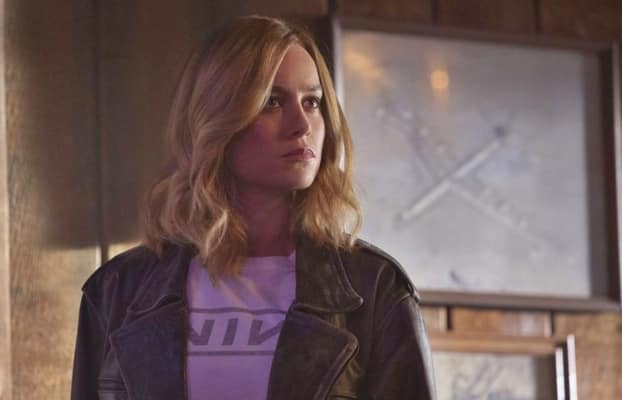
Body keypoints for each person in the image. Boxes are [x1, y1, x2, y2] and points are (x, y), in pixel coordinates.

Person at [71, 15, 436, 400]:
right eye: (272, 102)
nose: (302, 125)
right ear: (216, 118)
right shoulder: (118, 290)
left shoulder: (374, 288)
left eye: (312, 102)